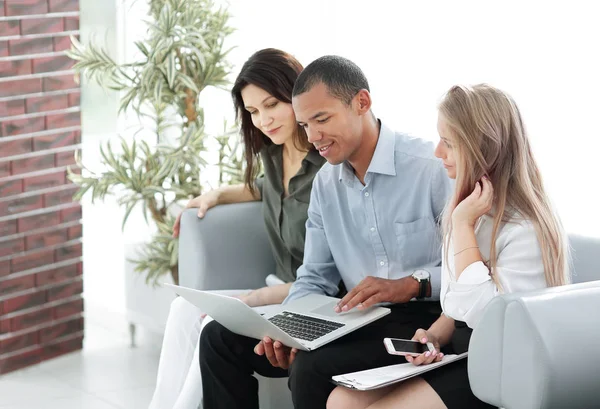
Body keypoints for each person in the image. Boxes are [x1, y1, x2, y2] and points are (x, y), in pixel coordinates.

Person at [199, 55, 452, 409]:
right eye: (304, 125)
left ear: (361, 102)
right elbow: (314, 278)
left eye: (322, 119)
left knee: (309, 368)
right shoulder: (326, 184)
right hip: (358, 321)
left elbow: (472, 271)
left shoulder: (431, 168)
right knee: (218, 337)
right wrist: (285, 328)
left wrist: (412, 282)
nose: (313, 137)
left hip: (428, 321)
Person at [326, 84, 570, 409]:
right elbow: (457, 306)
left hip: (506, 368)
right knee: (341, 400)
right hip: (470, 353)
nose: (438, 152)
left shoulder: (522, 228)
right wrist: (432, 336)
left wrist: (461, 225)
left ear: (485, 149)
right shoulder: (473, 211)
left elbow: (486, 314)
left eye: (449, 143)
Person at [147, 48, 326, 409]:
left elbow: (329, 277)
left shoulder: (327, 165)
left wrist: (248, 301)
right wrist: (215, 195)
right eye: (253, 111)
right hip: (278, 290)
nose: (263, 120)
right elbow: (262, 188)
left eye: (272, 104)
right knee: (183, 309)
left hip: (313, 299)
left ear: (297, 93)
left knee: (209, 325)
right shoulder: (274, 156)